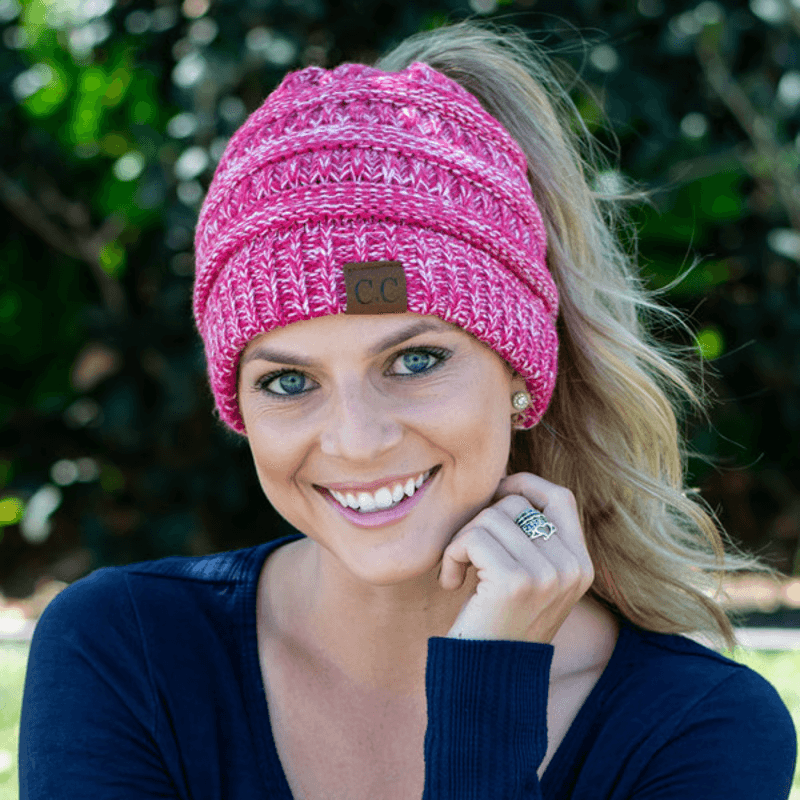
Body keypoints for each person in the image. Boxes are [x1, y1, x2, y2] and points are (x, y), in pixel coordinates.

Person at [19, 19, 796, 800]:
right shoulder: (122, 653)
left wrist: (487, 687)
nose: (357, 441)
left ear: (520, 371)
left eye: (415, 361)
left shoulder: (698, 729)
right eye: (288, 381)